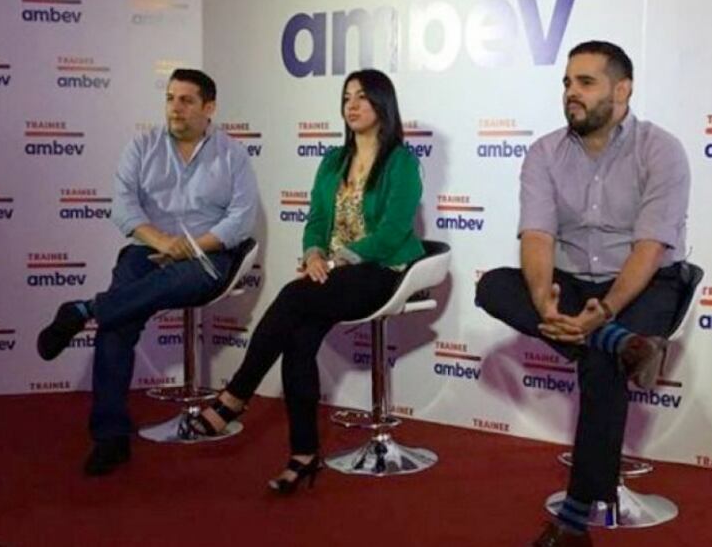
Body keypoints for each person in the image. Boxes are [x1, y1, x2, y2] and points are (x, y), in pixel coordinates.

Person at [474, 41, 690, 546]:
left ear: (622, 90)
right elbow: (537, 236)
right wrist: (544, 302)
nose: (572, 92)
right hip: (572, 284)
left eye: (586, 83)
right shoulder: (544, 152)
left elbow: (649, 248)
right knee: (494, 286)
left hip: (645, 283)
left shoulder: (660, 149)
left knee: (598, 363)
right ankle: (623, 344)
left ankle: (573, 521)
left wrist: (606, 311)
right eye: (567, 83)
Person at [185, 68, 424, 494]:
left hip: (381, 272)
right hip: (332, 273)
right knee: (298, 338)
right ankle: (304, 454)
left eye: (362, 97)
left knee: (294, 297)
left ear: (383, 105)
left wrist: (338, 259)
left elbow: (392, 232)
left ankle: (236, 394)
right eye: (346, 97)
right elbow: (315, 220)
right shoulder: (332, 161)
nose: (351, 105)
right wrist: (314, 254)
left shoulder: (401, 162)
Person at [36, 68, 260, 476]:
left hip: (207, 255)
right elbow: (123, 207)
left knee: (168, 282)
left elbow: (241, 219)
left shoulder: (233, 154)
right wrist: (161, 242)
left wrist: (191, 246)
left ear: (209, 107)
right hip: (148, 249)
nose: (175, 108)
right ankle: (110, 437)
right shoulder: (142, 146)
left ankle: (85, 309)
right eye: (170, 98)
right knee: (117, 325)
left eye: (186, 100)